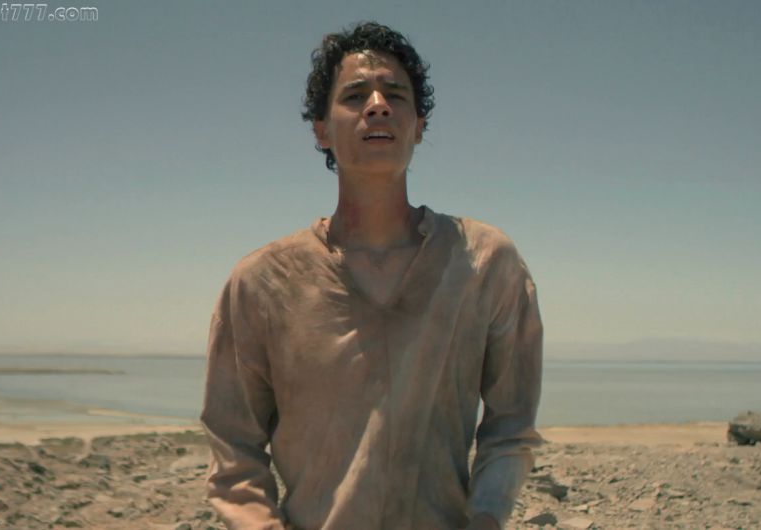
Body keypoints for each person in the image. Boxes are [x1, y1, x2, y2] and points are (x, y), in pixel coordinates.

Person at [200, 21, 543, 530]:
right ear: (321, 129)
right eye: (355, 95)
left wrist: (488, 518)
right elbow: (234, 453)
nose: (378, 105)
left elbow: (510, 428)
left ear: (419, 125)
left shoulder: (482, 262)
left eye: (395, 95)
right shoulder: (264, 283)